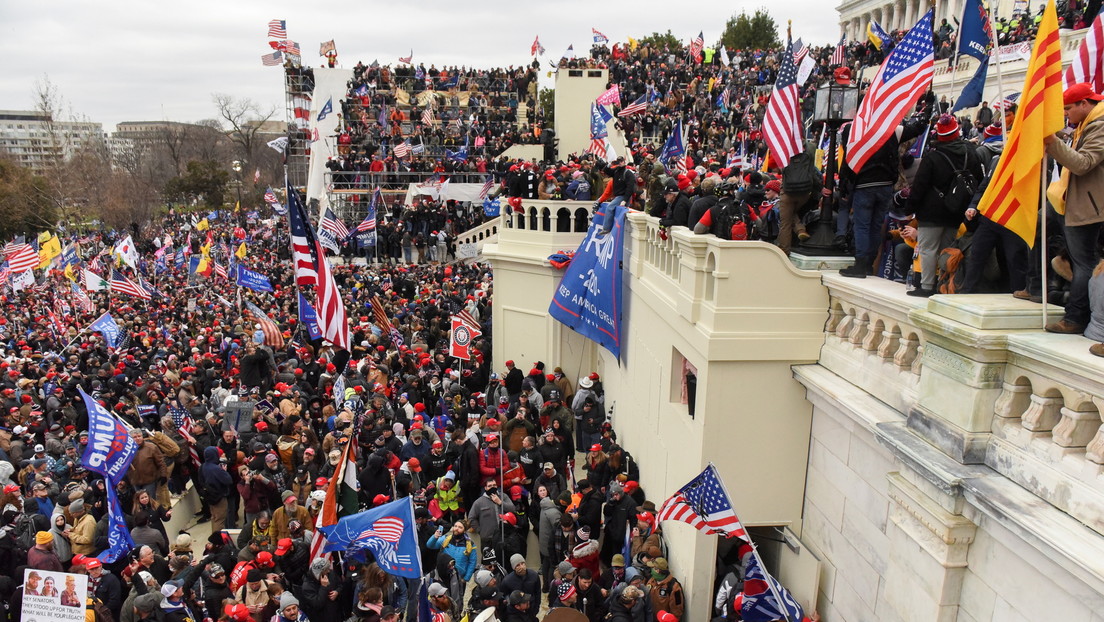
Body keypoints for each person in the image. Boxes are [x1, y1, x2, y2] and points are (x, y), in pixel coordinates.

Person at [1044, 83, 1104, 337]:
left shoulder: (1099, 125)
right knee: (1083, 263)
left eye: (1068, 109)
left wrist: (1053, 142)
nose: (1066, 114)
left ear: (1084, 104)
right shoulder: (1088, 124)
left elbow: (1083, 164)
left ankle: (1076, 317)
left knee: (1084, 264)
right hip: (1081, 204)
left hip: (1090, 208)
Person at [906, 114, 984, 297]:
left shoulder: (933, 156)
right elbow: (978, 180)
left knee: (928, 249)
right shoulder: (969, 152)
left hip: (930, 211)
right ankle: (943, 284)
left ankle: (926, 286)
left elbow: (920, 185)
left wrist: (909, 208)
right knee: (947, 249)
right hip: (956, 210)